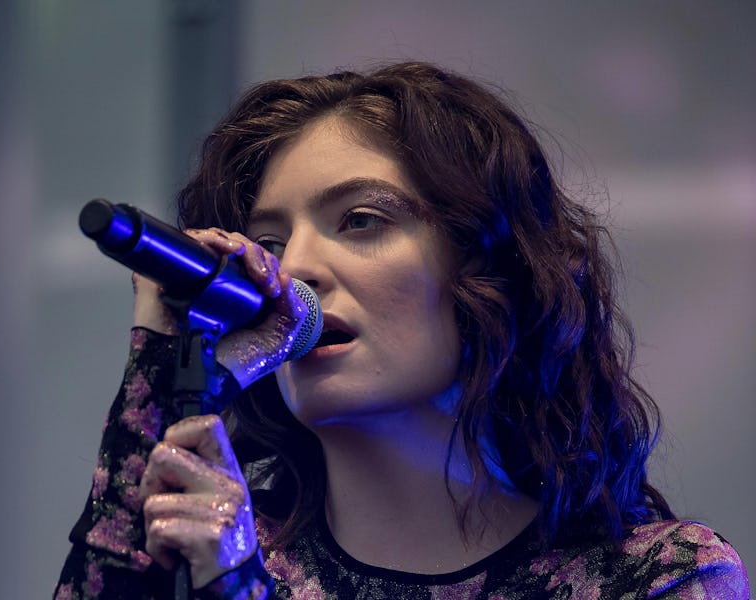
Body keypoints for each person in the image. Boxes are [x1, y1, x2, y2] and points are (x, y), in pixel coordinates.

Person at [55, 62, 749, 599]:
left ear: (488, 270)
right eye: (268, 243)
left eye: (361, 220)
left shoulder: (654, 577)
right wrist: (159, 364)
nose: (294, 270)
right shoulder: (214, 549)